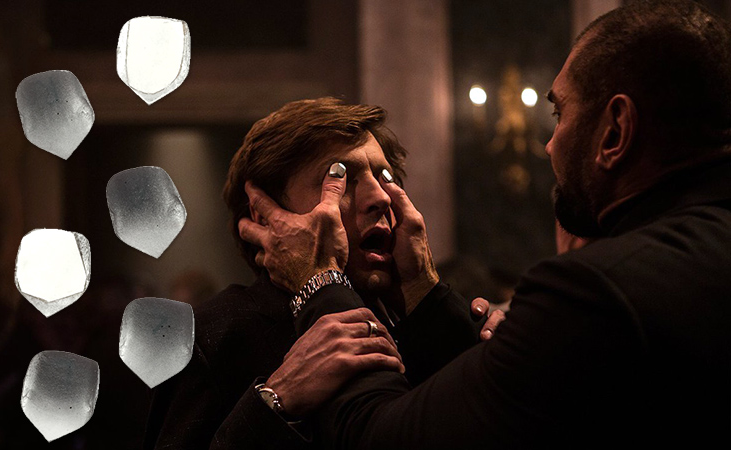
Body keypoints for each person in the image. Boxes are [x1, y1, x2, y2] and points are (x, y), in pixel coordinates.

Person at [240, 1, 731, 448]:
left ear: (616, 131)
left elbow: (385, 437)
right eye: (340, 178)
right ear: (266, 215)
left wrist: (320, 284)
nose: (549, 144)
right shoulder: (223, 335)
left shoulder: (594, 293)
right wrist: (428, 295)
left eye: (558, 113)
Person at [143, 98, 501, 449]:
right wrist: (273, 401)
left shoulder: (422, 320)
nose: (381, 197)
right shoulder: (215, 335)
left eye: (385, 178)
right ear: (266, 217)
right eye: (339, 179)